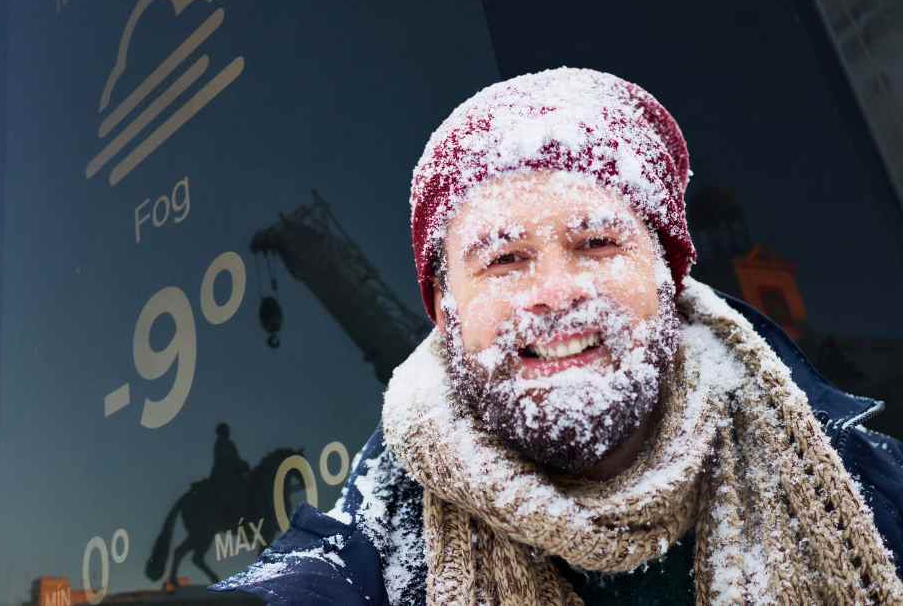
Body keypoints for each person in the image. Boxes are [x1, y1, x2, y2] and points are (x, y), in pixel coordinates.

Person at [212, 68, 903, 604]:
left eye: (597, 243)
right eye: (504, 259)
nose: (555, 291)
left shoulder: (878, 491)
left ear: (669, 273)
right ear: (447, 312)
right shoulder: (366, 561)